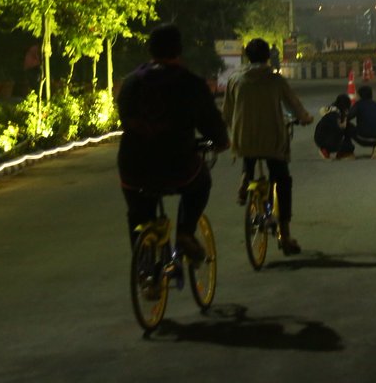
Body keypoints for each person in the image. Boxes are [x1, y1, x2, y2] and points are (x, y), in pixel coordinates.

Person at [116, 24, 229, 263]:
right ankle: (185, 233)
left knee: (137, 211)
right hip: (177, 165)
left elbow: (125, 117)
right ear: (179, 50)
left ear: (150, 50)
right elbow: (210, 121)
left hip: (133, 165)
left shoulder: (131, 83)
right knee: (201, 182)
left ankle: (144, 267)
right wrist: (221, 142)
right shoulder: (191, 83)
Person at [224, 37, 313, 255]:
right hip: (272, 140)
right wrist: (304, 117)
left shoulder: (235, 80)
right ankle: (286, 235)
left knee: (250, 148)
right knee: (282, 180)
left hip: (244, 140)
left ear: (247, 57)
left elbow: (227, 112)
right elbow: (293, 104)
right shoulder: (275, 80)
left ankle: (246, 176)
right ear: (268, 57)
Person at [348, 85, 376, 157]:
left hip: (363, 138)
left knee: (346, 125)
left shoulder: (359, 104)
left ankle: (347, 152)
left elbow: (348, 117)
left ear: (360, 96)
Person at [314, 93, 355, 159]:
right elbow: (340, 128)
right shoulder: (335, 114)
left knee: (346, 129)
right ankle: (326, 150)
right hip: (323, 139)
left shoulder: (333, 109)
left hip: (320, 136)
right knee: (347, 128)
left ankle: (334, 150)